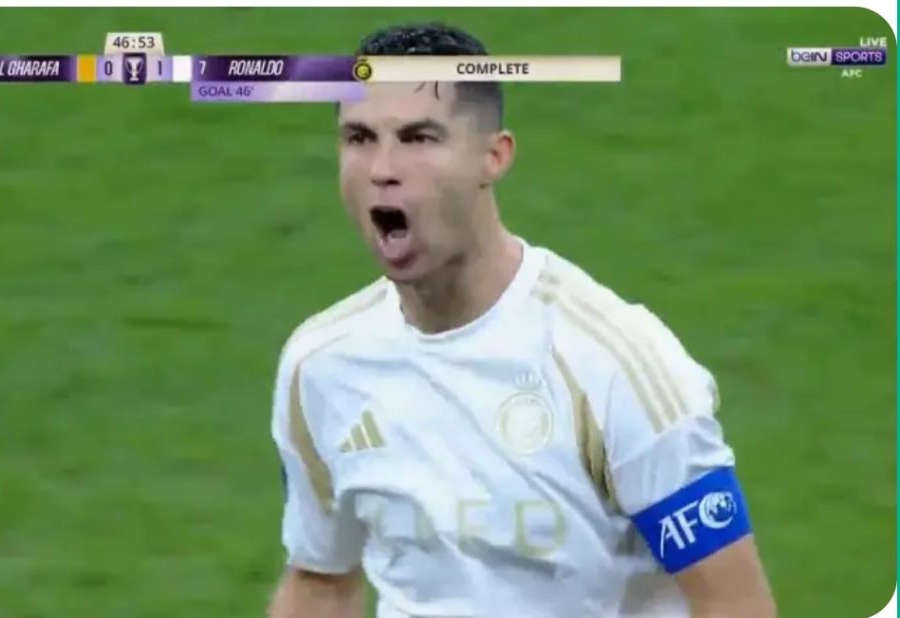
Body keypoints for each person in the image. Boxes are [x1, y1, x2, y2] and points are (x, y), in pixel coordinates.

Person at [267, 22, 777, 618]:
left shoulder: (612, 365)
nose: (383, 168)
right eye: (359, 138)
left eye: (418, 137)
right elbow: (320, 580)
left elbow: (734, 603)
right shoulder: (323, 365)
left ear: (494, 156)